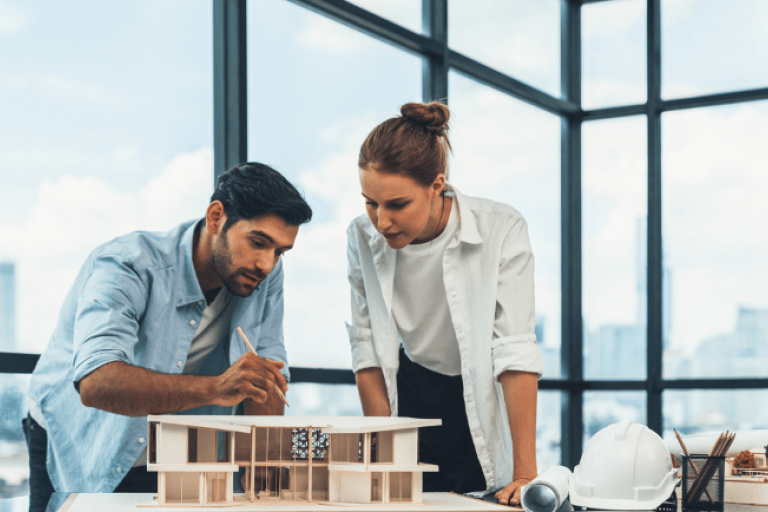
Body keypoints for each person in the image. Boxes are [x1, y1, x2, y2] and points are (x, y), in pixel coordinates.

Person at [23, 162, 312, 512]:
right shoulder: (127, 264)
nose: (266, 264)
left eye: (280, 251)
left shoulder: (264, 275)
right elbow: (96, 382)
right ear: (216, 217)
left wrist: (261, 477)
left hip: (175, 442)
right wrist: (217, 388)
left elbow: (266, 377)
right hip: (82, 430)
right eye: (258, 242)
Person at [346, 102, 543, 506]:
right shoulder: (361, 237)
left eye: (397, 205)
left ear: (437, 185)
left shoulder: (502, 228)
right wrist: (383, 459)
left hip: (477, 396)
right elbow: (367, 347)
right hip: (410, 389)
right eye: (371, 202)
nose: (381, 221)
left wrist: (526, 473)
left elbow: (514, 348)